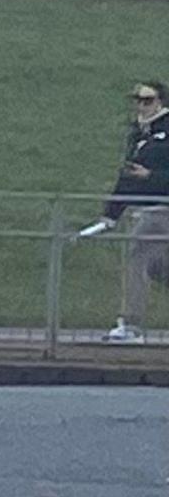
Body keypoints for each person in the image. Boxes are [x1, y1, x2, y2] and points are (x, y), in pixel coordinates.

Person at [101, 78, 168, 343]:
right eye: (138, 100)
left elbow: (143, 175)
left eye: (147, 100)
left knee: (138, 257)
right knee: (160, 269)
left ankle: (131, 325)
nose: (141, 106)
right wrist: (110, 214)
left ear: (161, 102)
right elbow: (127, 176)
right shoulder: (139, 134)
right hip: (144, 209)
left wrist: (151, 177)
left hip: (161, 209)